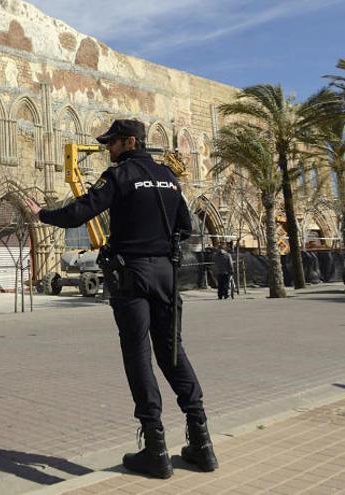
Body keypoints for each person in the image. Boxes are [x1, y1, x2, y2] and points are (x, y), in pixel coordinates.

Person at [27, 119, 218, 479]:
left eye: (112, 143)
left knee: (139, 355)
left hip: (133, 275)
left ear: (130, 142)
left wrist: (43, 213)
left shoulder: (121, 176)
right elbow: (186, 228)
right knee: (172, 351)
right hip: (166, 275)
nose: (108, 149)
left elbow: (80, 212)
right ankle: (202, 442)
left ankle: (155, 449)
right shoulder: (168, 178)